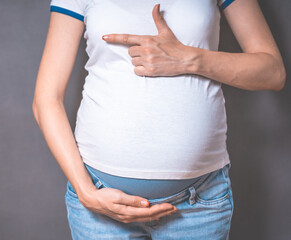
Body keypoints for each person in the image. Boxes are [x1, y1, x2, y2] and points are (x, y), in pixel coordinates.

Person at [32, 0, 286, 239]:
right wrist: (85, 192)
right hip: (99, 200)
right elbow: (46, 98)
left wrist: (189, 58)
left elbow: (272, 72)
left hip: (198, 204)